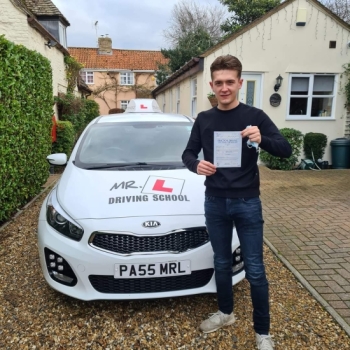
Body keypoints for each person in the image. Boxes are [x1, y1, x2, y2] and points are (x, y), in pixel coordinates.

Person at [182, 55, 292, 350]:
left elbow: (285, 149)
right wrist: (196, 165)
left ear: (240, 83)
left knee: (255, 268)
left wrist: (263, 138)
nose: (225, 87)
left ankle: (263, 332)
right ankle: (226, 313)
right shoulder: (204, 119)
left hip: (246, 202)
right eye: (219, 82)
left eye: (230, 82)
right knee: (220, 262)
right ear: (212, 85)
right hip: (215, 201)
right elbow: (188, 153)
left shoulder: (255, 117)